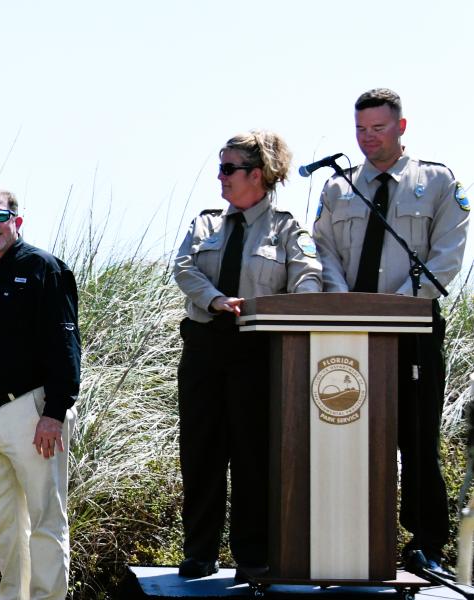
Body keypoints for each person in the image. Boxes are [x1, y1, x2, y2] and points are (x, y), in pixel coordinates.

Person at [311, 88, 469, 574]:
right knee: (348, 438)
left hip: (414, 328)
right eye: (360, 129)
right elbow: (324, 250)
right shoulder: (339, 187)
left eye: (378, 129)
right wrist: (345, 304)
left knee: (417, 440)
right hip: (349, 333)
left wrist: (395, 306)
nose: (367, 139)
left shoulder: (437, 182)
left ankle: (424, 545)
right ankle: (350, 542)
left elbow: (446, 255)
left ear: (401, 128)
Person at [172, 131, 322, 581]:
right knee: (200, 452)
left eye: (228, 169)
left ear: (256, 175)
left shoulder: (287, 227)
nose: (220, 177)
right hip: (205, 347)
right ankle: (199, 552)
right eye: (220, 167)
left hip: (257, 353)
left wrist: (296, 310)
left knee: (253, 455)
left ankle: (253, 556)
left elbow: (308, 278)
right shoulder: (206, 222)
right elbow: (183, 267)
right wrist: (216, 298)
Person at [0, 190, 80, 600]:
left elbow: (66, 343)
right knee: (4, 526)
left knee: (46, 519)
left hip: (32, 411)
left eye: (2, 215)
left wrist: (55, 413)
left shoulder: (43, 268)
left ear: (17, 221)